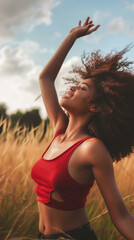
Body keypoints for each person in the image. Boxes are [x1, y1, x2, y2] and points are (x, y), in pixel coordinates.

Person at [31, 17, 134, 240]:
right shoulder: (59, 130)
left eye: (82, 88)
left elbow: (121, 216)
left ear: (95, 105)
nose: (72, 88)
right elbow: (46, 78)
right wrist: (72, 36)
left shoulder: (91, 149)